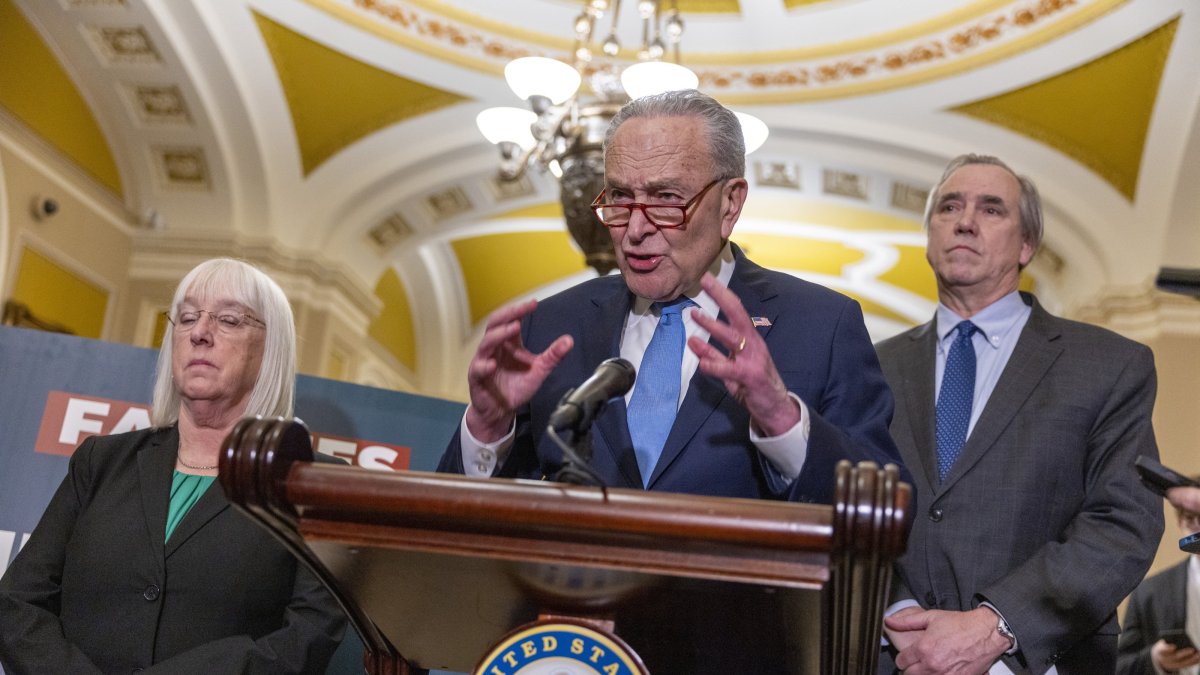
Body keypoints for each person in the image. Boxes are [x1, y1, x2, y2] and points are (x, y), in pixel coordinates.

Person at [438, 88, 904, 505]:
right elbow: (458, 521)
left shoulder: (821, 324)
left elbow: (885, 510)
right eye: (620, 196)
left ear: (730, 204)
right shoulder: (554, 324)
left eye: (665, 199)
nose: (635, 230)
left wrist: (780, 417)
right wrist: (488, 426)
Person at [875, 154, 1163, 674]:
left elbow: (1123, 524)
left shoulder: (1110, 365)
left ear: (1026, 245)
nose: (965, 220)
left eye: (991, 209)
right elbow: (843, 506)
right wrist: (898, 615)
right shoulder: (871, 366)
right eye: (949, 207)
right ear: (929, 235)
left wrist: (996, 625)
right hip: (893, 658)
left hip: (1038, 661)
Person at [0, 258, 345, 674]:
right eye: (186, 318)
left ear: (271, 348)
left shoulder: (314, 483)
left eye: (230, 320)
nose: (200, 333)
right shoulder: (101, 462)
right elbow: (17, 602)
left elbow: (308, 637)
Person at [1117, 479, 1200, 675]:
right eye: (1190, 517)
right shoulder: (1149, 591)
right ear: (1181, 523)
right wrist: (1156, 659)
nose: (1199, 526)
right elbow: (1120, 665)